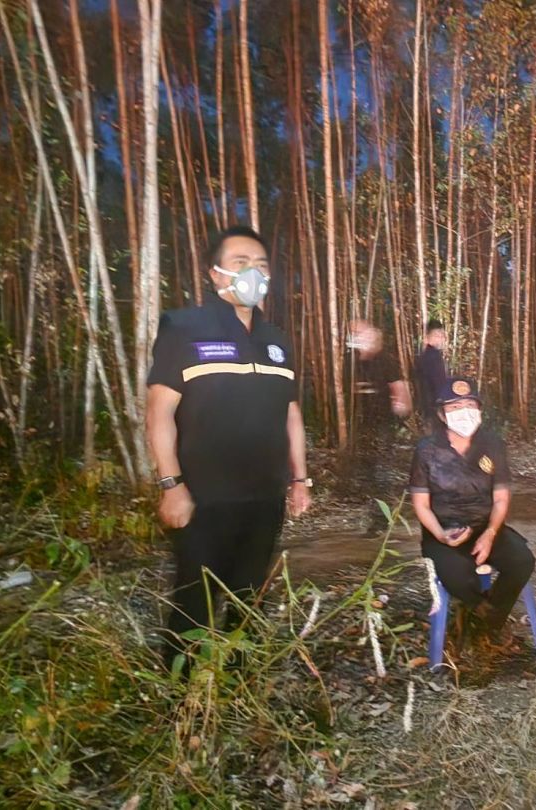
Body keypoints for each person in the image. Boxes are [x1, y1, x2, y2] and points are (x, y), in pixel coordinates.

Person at [146, 225, 312, 668]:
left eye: (260, 265)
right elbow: (159, 413)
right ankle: (181, 695)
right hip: (203, 498)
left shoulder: (276, 340)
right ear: (215, 273)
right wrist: (171, 485)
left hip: (264, 496)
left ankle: (240, 690)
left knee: (248, 599)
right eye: (241, 262)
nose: (253, 272)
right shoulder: (184, 328)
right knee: (194, 602)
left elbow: (291, 415)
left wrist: (300, 479)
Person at [409, 377, 536, 649]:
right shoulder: (427, 450)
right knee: (457, 574)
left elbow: (500, 498)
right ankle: (482, 611)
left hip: (486, 525)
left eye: (469, 405)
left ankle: (486, 621)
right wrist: (441, 535)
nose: (464, 413)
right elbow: (421, 504)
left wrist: (490, 533)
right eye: (455, 407)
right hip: (444, 530)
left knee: (522, 560)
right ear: (442, 414)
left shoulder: (492, 444)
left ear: (479, 410)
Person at [345, 318, 412, 425]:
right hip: (356, 419)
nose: (357, 338)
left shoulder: (386, 360)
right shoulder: (349, 360)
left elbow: (398, 387)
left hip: (382, 418)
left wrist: (401, 406)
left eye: (360, 333)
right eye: (354, 334)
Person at [414, 318, 449, 430]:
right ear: (427, 338)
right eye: (437, 335)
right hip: (434, 409)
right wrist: (442, 408)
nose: (441, 339)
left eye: (442, 335)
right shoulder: (432, 358)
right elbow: (438, 385)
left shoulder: (429, 355)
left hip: (428, 408)